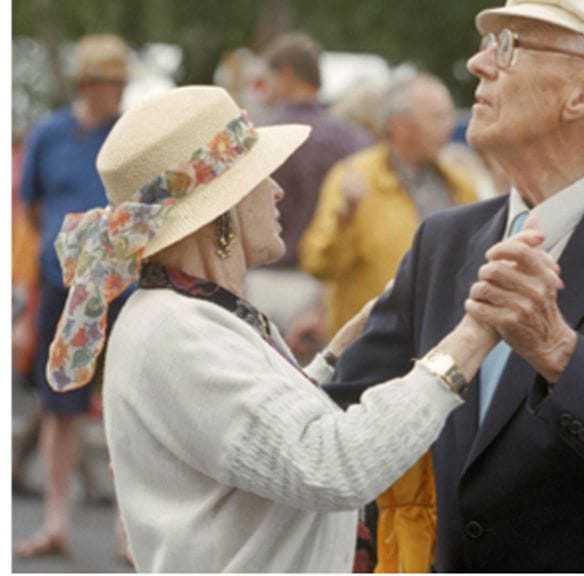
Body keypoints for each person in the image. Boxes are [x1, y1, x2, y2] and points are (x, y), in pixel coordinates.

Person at [46, 85, 549, 572]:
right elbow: (333, 465)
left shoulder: (183, 315)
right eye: (262, 176)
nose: (278, 189)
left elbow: (255, 439)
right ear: (223, 211)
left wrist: (332, 357)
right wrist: (475, 334)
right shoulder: (177, 331)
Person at [328, 0, 584, 571]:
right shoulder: (444, 240)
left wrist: (560, 353)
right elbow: (337, 423)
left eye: (509, 46)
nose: (479, 63)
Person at [300, 71, 478, 572]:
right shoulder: (353, 177)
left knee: (433, 502)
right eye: (438, 115)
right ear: (399, 125)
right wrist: (343, 219)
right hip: (378, 363)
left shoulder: (456, 178)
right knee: (377, 508)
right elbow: (317, 261)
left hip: (444, 364)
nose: (451, 125)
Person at [15, 34, 131, 559]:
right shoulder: (50, 134)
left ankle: (128, 532)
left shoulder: (127, 136)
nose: (120, 92)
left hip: (117, 289)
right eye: (113, 82)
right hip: (62, 289)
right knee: (57, 405)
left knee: (124, 409)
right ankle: (58, 520)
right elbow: (34, 208)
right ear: (89, 83)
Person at [245, 32, 373, 351]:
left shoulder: (256, 136)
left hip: (262, 279)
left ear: (286, 75)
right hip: (323, 287)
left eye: (269, 80)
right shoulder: (355, 140)